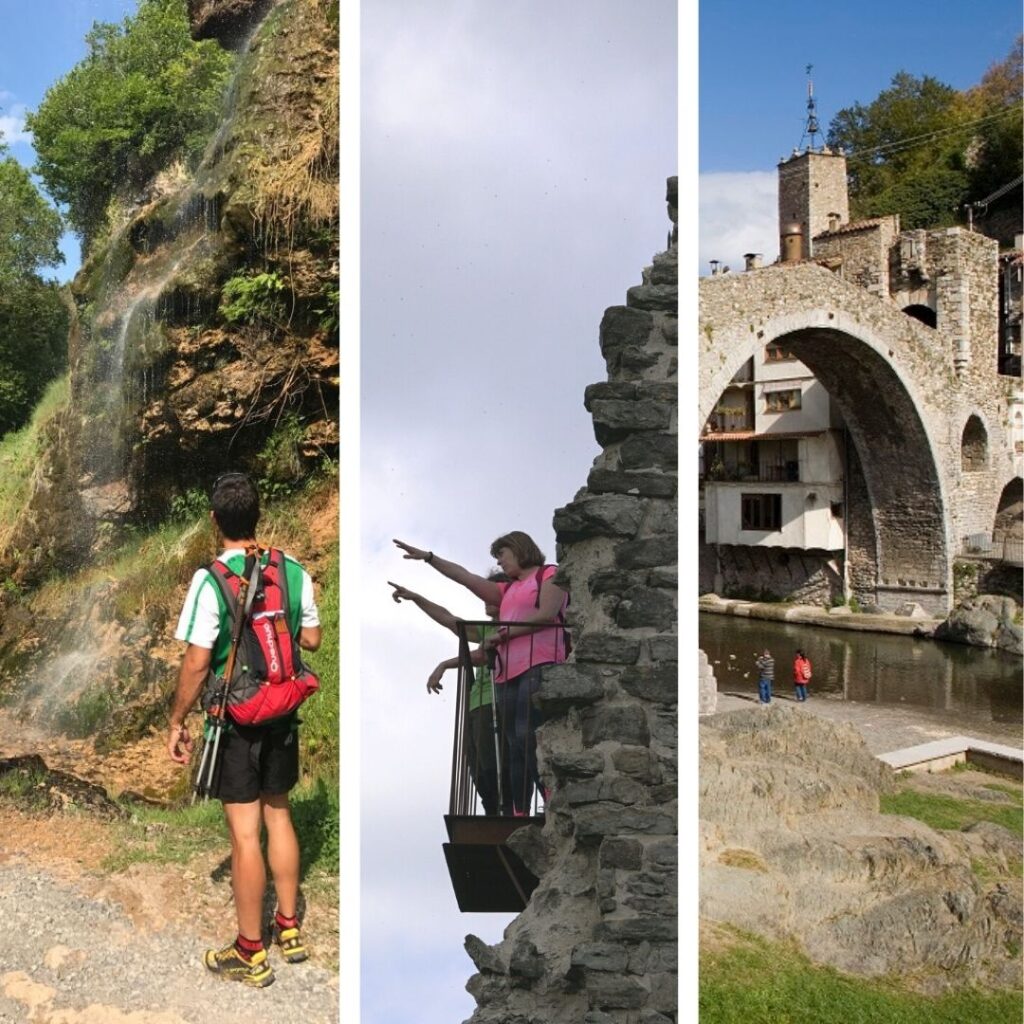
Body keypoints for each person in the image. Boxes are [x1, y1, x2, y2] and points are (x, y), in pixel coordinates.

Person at [167, 472, 321, 988]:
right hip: (283, 709)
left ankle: (250, 951)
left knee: (243, 834)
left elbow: (196, 661)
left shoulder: (210, 579)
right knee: (279, 814)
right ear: (259, 515)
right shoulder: (292, 568)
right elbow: (314, 640)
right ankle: (290, 927)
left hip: (237, 718)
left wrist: (176, 719)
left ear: (215, 520)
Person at [393, 532, 568, 815]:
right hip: (506, 673)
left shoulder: (550, 574)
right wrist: (429, 558)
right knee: (513, 742)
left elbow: (547, 614)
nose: (500, 562)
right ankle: (521, 809)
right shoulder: (507, 591)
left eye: (502, 554)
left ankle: (549, 795)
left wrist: (502, 635)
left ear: (519, 549)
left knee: (527, 733)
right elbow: (464, 577)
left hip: (540, 662)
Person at [389, 573, 509, 815]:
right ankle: (491, 808)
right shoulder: (487, 630)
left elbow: (481, 656)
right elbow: (448, 619)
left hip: (494, 701)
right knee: (475, 763)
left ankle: (500, 809)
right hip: (477, 703)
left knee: (489, 761)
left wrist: (445, 663)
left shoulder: (509, 628)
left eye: (490, 592)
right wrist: (416, 598)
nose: (484, 597)